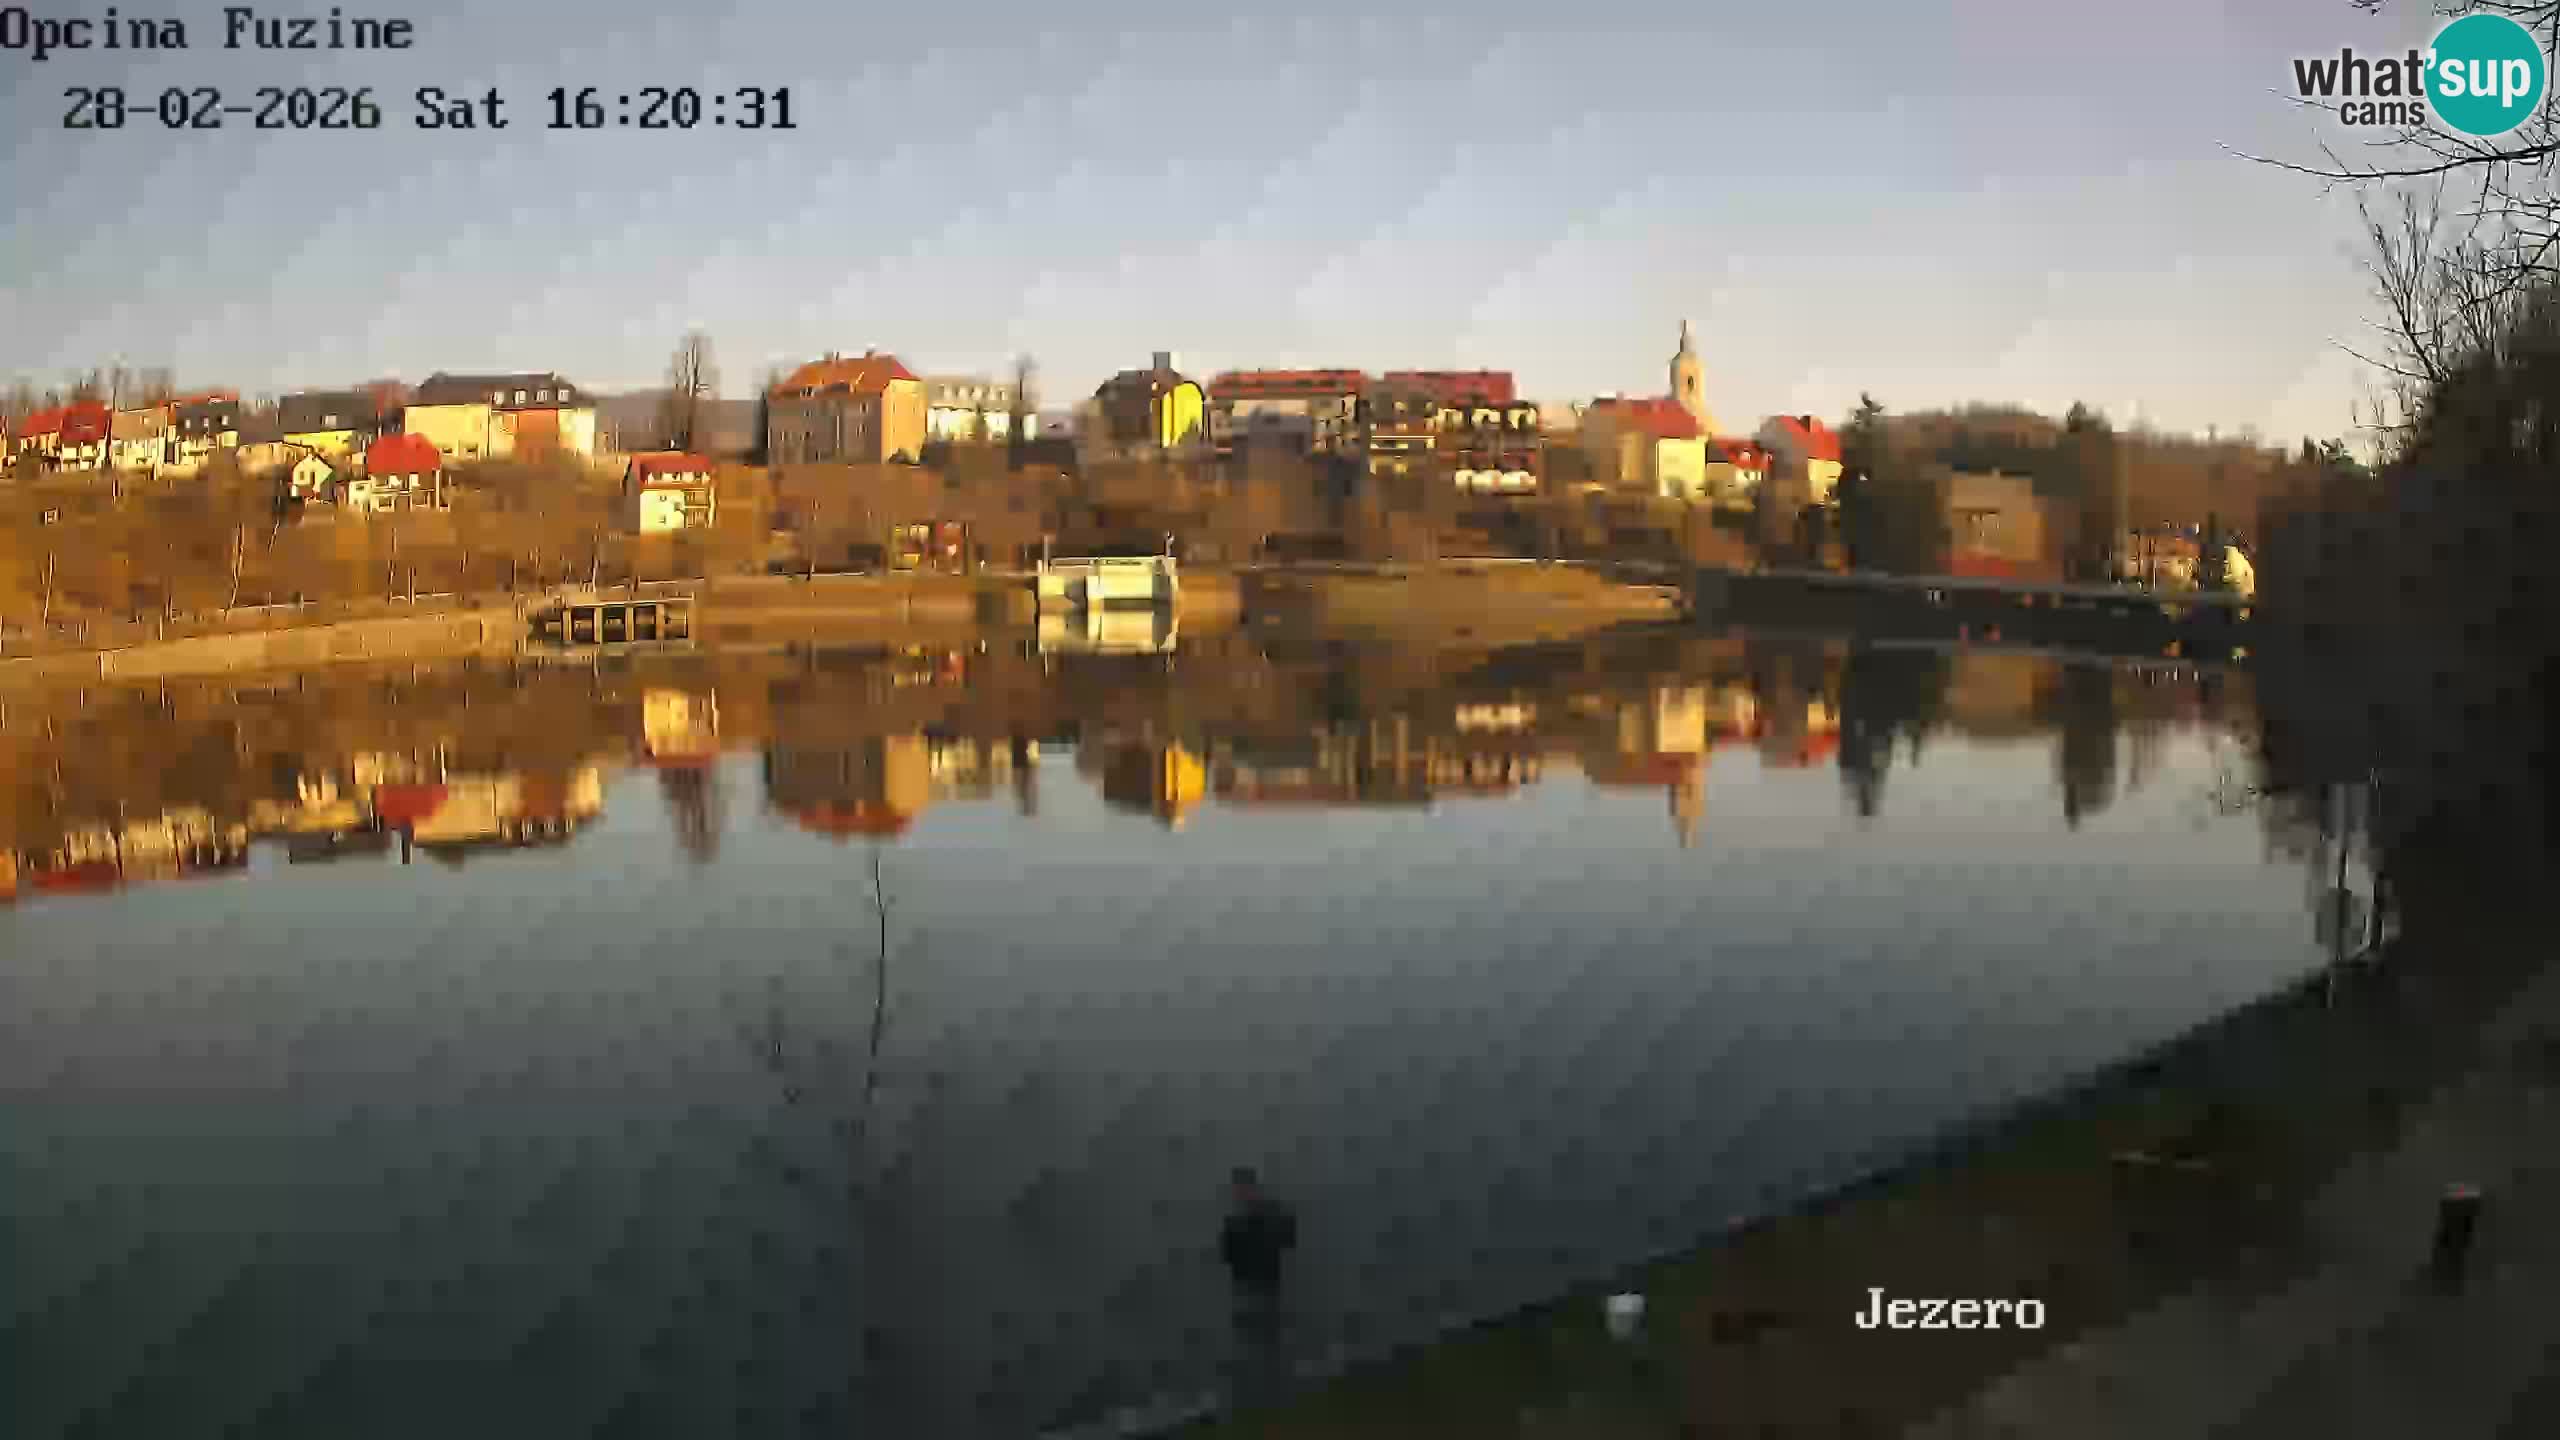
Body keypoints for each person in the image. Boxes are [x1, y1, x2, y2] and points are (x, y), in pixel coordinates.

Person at [1219, 1166, 1298, 1402]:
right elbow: (1227, 1254)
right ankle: (1256, 1393)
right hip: (1246, 1287)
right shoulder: (1235, 1220)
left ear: (1253, 1187)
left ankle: (1272, 1391)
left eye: (1244, 1187)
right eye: (1238, 1188)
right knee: (1250, 1343)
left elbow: (1288, 1237)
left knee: (1268, 1342)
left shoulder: (1268, 1212)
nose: (1241, 1192)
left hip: (1265, 1285)